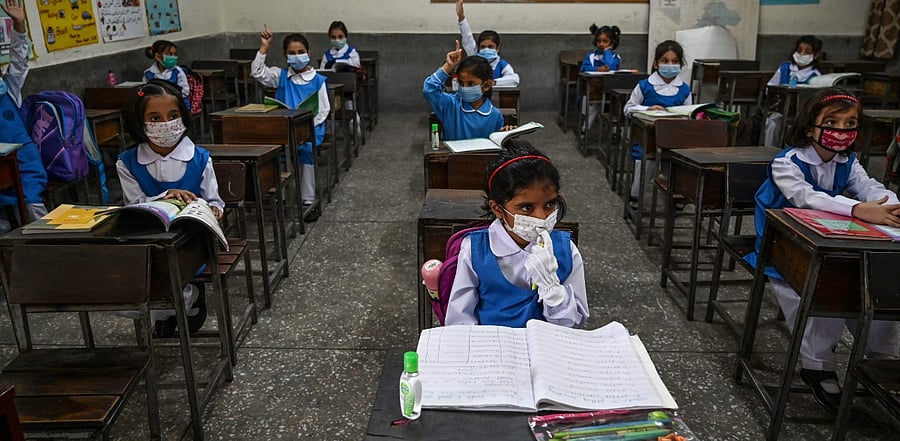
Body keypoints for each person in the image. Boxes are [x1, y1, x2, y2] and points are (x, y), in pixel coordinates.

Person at [746, 88, 900, 414]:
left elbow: (871, 187)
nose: (841, 131)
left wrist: (892, 206)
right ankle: (818, 365)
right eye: (831, 122)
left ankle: (881, 356)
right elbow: (806, 198)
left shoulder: (848, 161)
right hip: (783, 244)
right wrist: (858, 209)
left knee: (873, 283)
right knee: (818, 296)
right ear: (809, 128)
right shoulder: (787, 162)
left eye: (850, 123)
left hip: (830, 240)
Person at [118, 79, 225, 338]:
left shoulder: (199, 158)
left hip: (192, 239)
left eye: (173, 115)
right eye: (155, 117)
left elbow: (215, 201)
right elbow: (133, 205)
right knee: (139, 271)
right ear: (139, 122)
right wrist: (165, 196)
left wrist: (215, 210)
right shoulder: (128, 162)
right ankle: (171, 310)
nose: (166, 123)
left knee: (178, 268)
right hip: (150, 237)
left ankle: (187, 301)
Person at [445, 142, 588, 328]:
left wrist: (553, 291)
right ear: (497, 208)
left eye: (550, 204)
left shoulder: (567, 251)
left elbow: (574, 327)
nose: (542, 217)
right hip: (492, 349)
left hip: (547, 350)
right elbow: (459, 321)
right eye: (527, 208)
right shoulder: (474, 251)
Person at [251, 27, 330, 212]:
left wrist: (306, 126)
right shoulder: (281, 76)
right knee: (274, 152)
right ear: (285, 56)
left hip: (310, 130)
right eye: (292, 53)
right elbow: (257, 72)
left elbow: (323, 110)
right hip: (284, 130)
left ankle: (308, 200)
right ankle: (280, 195)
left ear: (309, 53)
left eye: (301, 52)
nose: (297, 56)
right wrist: (264, 48)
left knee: (305, 150)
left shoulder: (318, 80)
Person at [623, 40, 691, 203]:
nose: (670, 65)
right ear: (655, 63)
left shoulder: (684, 89)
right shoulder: (644, 86)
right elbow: (628, 109)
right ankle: (635, 198)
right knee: (644, 170)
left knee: (677, 171)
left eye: (675, 62)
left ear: (681, 64)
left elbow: (688, 113)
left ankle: (678, 197)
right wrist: (647, 109)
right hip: (647, 141)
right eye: (665, 61)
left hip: (673, 141)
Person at [0, 0, 47, 232]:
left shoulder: (8, 89)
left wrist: (19, 24)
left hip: (25, 172)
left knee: (38, 230)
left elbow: (19, 61)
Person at [424, 40, 506, 141]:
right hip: (453, 156)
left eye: (471, 84)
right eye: (461, 83)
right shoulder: (450, 105)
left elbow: (497, 144)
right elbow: (429, 89)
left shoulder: (495, 115)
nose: (464, 88)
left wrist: (507, 133)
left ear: (486, 85)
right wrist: (448, 66)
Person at [763, 35, 824, 147]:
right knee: (772, 124)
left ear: (816, 55)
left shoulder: (815, 76)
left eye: (807, 51)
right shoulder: (784, 68)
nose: (802, 54)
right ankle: (769, 153)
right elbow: (770, 88)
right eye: (799, 50)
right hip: (780, 111)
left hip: (802, 115)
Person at [456, 0, 519, 88]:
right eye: (483, 47)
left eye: (490, 47)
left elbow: (514, 79)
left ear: (497, 48)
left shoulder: (501, 64)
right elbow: (468, 38)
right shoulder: (475, 62)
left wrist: (493, 83)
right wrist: (461, 18)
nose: (486, 49)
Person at [580, 23, 622, 134]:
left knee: (614, 105)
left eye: (605, 41)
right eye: (599, 41)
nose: (601, 44)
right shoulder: (591, 55)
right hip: (594, 87)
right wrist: (598, 69)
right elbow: (584, 68)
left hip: (610, 89)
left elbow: (611, 66)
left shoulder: (615, 57)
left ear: (612, 43)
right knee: (597, 104)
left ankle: (614, 132)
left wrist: (607, 52)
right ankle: (585, 130)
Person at [143, 40, 192, 112]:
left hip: (179, 107)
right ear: (158, 57)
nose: (173, 57)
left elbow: (185, 91)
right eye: (170, 54)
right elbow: (143, 92)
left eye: (175, 54)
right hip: (157, 107)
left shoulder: (178, 72)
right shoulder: (148, 74)